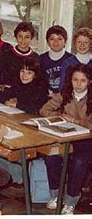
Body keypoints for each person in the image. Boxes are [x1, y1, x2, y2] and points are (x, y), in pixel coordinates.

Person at [40, 64, 92, 215]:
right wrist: (58, 118)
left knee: (79, 162)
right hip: (67, 137)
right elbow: (44, 110)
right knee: (51, 157)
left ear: (89, 81)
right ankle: (56, 195)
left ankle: (71, 200)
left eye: (83, 80)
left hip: (87, 140)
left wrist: (75, 120)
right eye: (75, 79)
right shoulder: (65, 93)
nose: (78, 84)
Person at [0, 57, 48, 186]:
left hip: (32, 128)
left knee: (4, 148)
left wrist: (17, 103)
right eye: (22, 71)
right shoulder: (18, 83)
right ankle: (18, 177)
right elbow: (0, 96)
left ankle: (22, 177)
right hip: (18, 121)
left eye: (29, 72)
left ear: (35, 75)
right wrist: (8, 101)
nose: (24, 75)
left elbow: (35, 107)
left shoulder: (40, 87)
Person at [0, 21, 39, 90]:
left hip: (29, 94)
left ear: (31, 38)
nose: (23, 40)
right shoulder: (7, 55)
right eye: (20, 36)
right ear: (15, 37)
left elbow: (39, 79)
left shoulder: (36, 57)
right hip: (9, 93)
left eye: (27, 37)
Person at [39, 25, 72, 95]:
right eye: (52, 39)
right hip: (46, 97)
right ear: (47, 42)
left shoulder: (72, 60)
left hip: (66, 98)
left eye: (60, 39)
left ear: (65, 41)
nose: (56, 42)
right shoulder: (41, 59)